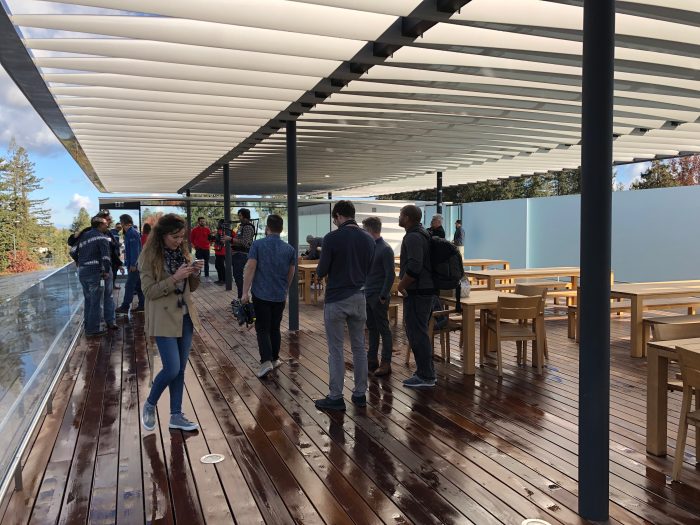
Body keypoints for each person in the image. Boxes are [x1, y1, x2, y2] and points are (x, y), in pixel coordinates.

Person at [140, 213, 204, 432]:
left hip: (185, 317)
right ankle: (150, 404)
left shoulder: (183, 254)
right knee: (172, 368)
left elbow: (191, 288)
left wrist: (194, 273)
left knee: (180, 369)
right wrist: (175, 278)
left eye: (181, 237)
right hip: (163, 319)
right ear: (162, 235)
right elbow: (149, 292)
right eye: (174, 237)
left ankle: (176, 415)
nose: (179, 241)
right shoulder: (148, 257)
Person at [314, 200, 375, 411]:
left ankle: (336, 396)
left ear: (339, 216)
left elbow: (321, 271)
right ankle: (360, 394)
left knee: (336, 349)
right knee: (359, 347)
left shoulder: (331, 238)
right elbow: (369, 268)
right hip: (359, 297)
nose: (334, 222)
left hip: (336, 299)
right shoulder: (368, 238)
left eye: (334, 218)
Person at [241, 214, 296, 378]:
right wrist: (285, 289)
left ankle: (265, 362)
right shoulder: (290, 249)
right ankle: (274, 359)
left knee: (262, 328)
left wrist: (244, 292)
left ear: (267, 228)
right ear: (281, 228)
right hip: (279, 295)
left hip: (261, 294)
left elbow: (250, 267)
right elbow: (291, 272)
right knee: (275, 328)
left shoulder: (258, 245)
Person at [398, 205, 437, 388]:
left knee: (417, 333)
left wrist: (401, 285)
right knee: (419, 332)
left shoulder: (413, 237)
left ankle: (426, 376)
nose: (399, 218)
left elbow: (414, 267)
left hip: (418, 292)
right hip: (425, 290)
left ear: (407, 218)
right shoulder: (423, 233)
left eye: (401, 215)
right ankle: (426, 371)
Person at [70, 215, 116, 336]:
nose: (107, 226)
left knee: (88, 301)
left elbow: (72, 251)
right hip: (95, 273)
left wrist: (78, 261)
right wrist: (106, 271)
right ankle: (93, 329)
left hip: (83, 272)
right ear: (100, 225)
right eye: (105, 224)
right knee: (96, 302)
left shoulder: (84, 236)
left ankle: (88, 326)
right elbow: (106, 257)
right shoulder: (101, 237)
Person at [362, 216, 395, 376]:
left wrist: (383, 295)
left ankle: (386, 363)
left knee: (383, 329)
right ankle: (372, 359)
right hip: (368, 294)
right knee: (372, 328)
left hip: (378, 296)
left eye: (364, 230)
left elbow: (390, 274)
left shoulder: (385, 249)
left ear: (370, 230)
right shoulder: (370, 248)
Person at [116, 214, 145, 315]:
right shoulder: (130, 233)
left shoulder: (132, 233)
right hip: (135, 264)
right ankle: (142, 305)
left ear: (123, 222)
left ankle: (125, 307)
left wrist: (133, 264)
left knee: (129, 286)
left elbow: (135, 250)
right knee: (138, 285)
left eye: (121, 222)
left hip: (134, 266)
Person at [230, 208, 256, 298]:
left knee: (238, 276)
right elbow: (239, 239)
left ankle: (242, 297)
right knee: (237, 276)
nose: (239, 217)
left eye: (240, 215)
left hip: (242, 254)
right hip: (237, 254)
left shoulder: (248, 227)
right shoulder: (242, 226)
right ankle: (241, 296)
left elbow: (245, 242)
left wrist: (231, 239)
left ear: (245, 216)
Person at [97, 210, 124, 290]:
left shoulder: (109, 233)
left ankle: (112, 287)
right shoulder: (90, 233)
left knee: (106, 292)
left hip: (107, 266)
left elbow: (113, 248)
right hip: (97, 270)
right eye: (108, 220)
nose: (109, 222)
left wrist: (118, 263)